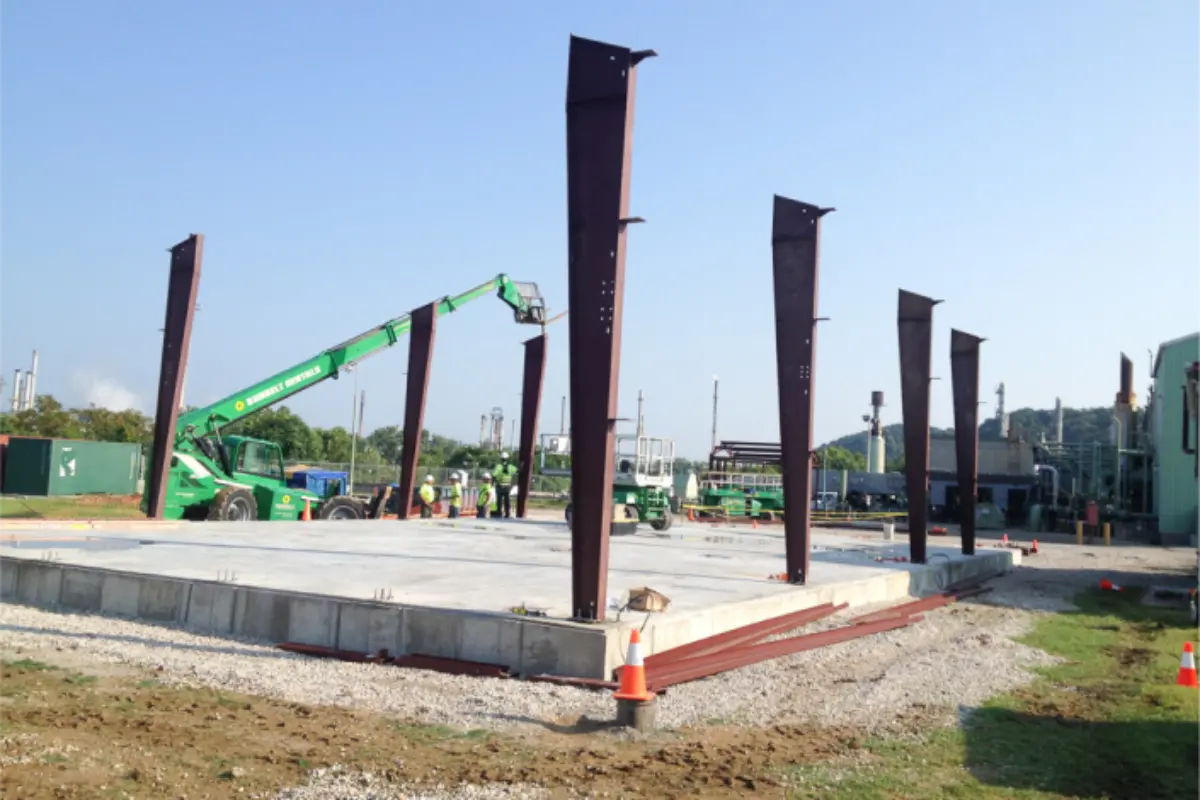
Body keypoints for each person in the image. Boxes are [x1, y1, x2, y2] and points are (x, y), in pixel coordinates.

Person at [493, 451, 518, 518]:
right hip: (507, 487)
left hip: (499, 486)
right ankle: (507, 514)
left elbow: (494, 476)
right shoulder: (510, 467)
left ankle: (499, 513)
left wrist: (494, 483)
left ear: (501, 459)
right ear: (507, 459)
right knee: (507, 501)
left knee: (499, 501)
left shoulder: (498, 466)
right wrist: (522, 465)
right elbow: (518, 470)